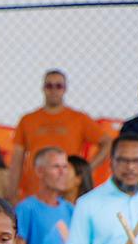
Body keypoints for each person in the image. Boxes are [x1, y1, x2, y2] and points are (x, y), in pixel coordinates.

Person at [7, 70, 112, 202]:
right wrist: (11, 192)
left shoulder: (79, 118)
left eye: (58, 86)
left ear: (64, 89)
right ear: (43, 88)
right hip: (34, 190)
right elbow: (17, 160)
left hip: (68, 192)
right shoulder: (27, 120)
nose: (54, 90)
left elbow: (107, 142)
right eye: (49, 86)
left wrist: (86, 169)